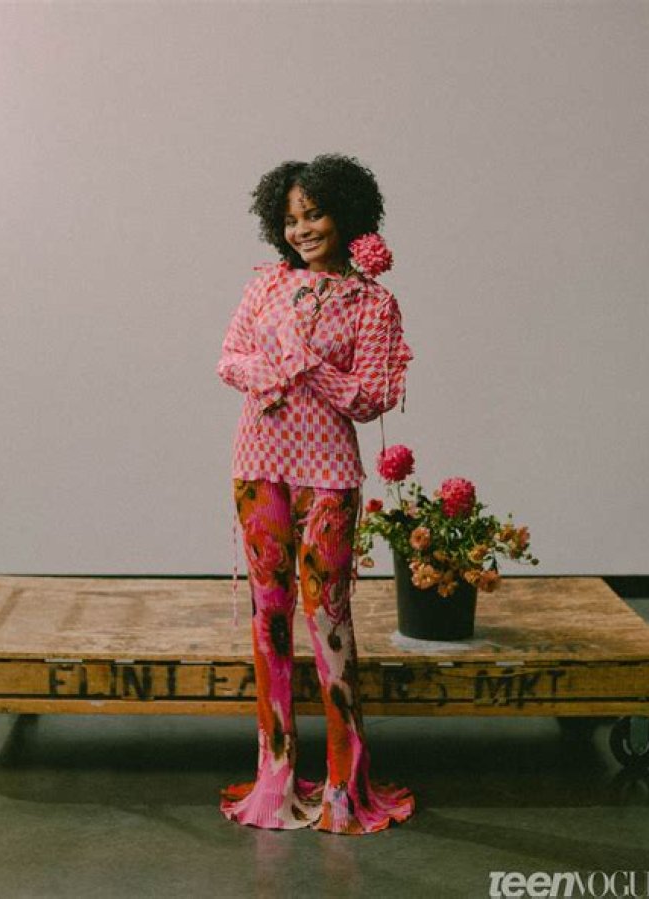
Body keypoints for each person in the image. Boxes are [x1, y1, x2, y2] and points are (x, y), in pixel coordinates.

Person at [216, 153, 415, 834]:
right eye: (291, 218)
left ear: (347, 215)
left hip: (328, 471)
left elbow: (371, 397)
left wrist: (307, 367)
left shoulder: (374, 303)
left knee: (328, 617)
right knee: (268, 617)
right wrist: (277, 373)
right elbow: (229, 359)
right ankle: (275, 773)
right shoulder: (265, 287)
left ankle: (344, 783)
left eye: (315, 214)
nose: (302, 229)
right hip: (258, 464)